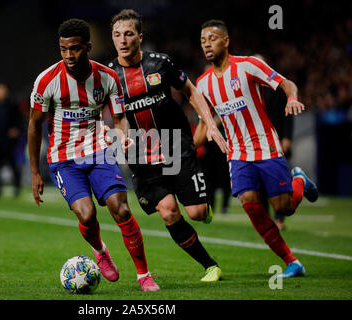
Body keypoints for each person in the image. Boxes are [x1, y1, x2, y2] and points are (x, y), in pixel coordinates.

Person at [27, 18, 159, 291]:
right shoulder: (47, 81)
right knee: (86, 215)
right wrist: (34, 172)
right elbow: (34, 125)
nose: (68, 55)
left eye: (74, 49)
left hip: (98, 151)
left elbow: (120, 117)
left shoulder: (107, 78)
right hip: (63, 158)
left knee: (120, 208)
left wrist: (122, 134)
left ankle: (144, 275)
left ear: (88, 47)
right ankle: (100, 250)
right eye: (63, 49)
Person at [109, 9, 229, 282]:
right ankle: (211, 266)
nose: (123, 40)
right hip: (140, 151)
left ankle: (201, 204)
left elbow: (190, 91)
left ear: (140, 37)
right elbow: (115, 117)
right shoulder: (108, 76)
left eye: (128, 34)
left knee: (197, 213)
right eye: (117, 35)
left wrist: (209, 123)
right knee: (168, 210)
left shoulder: (161, 63)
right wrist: (117, 135)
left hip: (174, 143)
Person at [194, 19, 318, 278]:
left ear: (226, 41)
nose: (207, 43)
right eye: (203, 40)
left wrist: (292, 98)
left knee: (284, 208)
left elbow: (286, 83)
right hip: (237, 154)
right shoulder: (203, 84)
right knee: (250, 204)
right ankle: (292, 262)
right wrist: (184, 151)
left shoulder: (248, 65)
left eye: (212, 38)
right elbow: (204, 124)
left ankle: (299, 181)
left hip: (266, 145)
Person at [254, 53, 294, 230]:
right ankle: (268, 219)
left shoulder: (277, 86)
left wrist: (287, 137)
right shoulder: (247, 88)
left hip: (276, 139)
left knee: (277, 180)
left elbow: (288, 114)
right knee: (259, 182)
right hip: (255, 143)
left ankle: (280, 218)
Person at [0, 83, 23, 198]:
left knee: (12, 164)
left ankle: (17, 187)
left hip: (9, 140)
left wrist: (16, 130)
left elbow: (20, 120)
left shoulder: (12, 105)